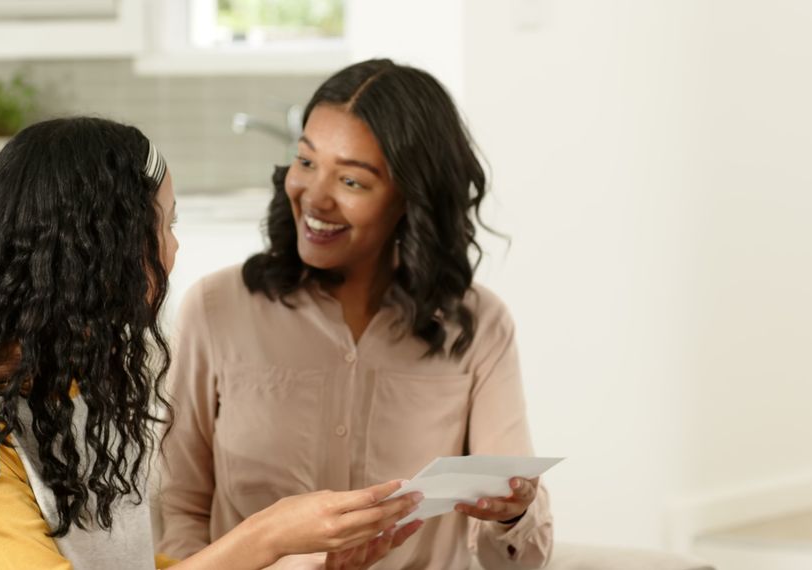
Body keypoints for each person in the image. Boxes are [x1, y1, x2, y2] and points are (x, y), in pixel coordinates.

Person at [0, 117, 424, 570]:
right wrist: (266, 536)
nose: (175, 247)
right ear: (97, 253)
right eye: (164, 225)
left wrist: (304, 560)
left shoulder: (82, 389)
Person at [158, 59, 553, 569]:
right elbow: (180, 510)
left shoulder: (479, 326)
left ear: (412, 200)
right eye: (306, 162)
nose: (314, 197)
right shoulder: (218, 308)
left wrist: (510, 515)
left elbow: (519, 560)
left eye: (352, 181)